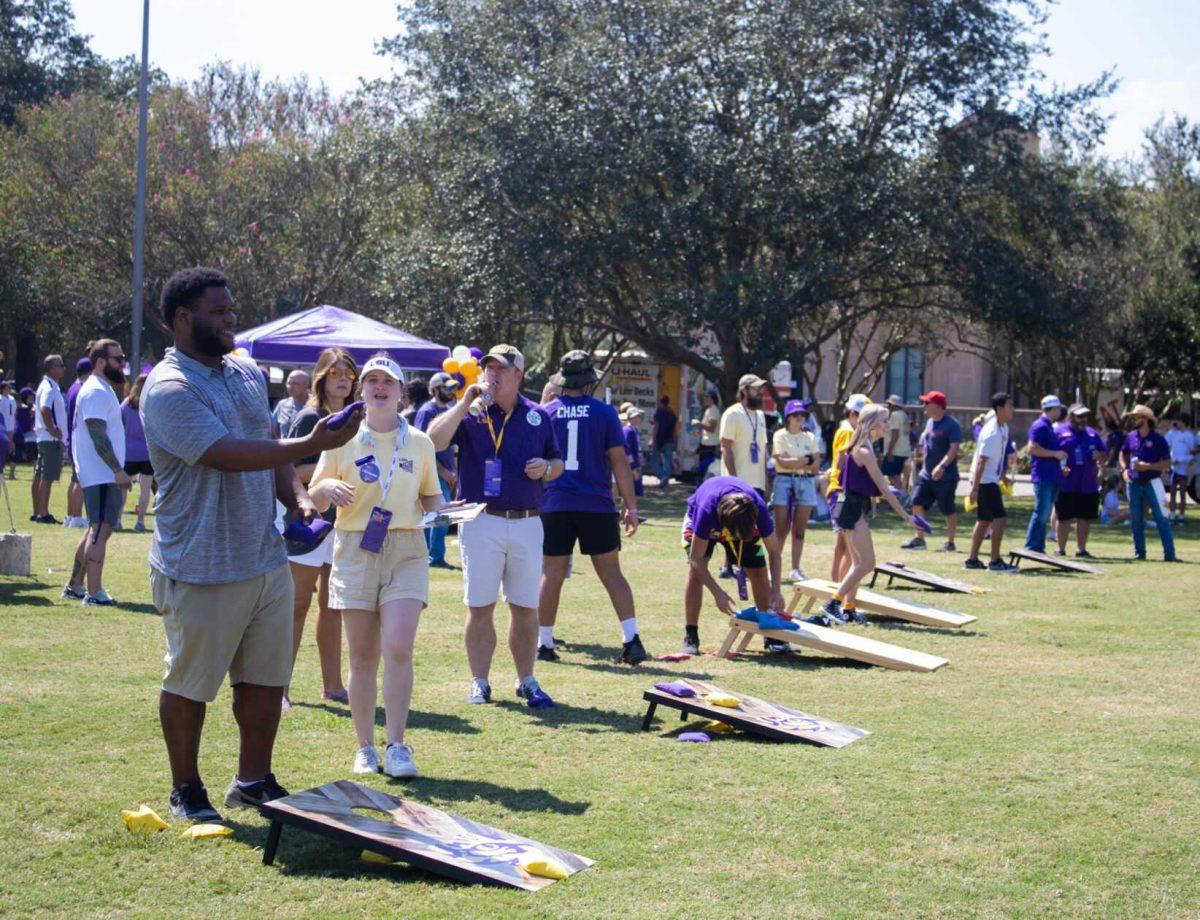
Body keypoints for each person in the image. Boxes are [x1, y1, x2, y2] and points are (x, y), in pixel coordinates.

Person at [141, 267, 361, 823]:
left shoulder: (240, 370)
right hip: (200, 561)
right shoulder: (168, 388)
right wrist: (312, 441)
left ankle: (254, 780)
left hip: (263, 556)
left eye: (232, 308)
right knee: (191, 682)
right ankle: (187, 788)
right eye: (219, 311)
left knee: (266, 679)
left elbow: (267, 448)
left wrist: (297, 499)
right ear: (184, 319)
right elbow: (228, 452)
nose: (231, 318)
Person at [308, 354, 450, 778]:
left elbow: (432, 498)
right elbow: (312, 496)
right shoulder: (341, 438)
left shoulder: (420, 442)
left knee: (400, 647)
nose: (379, 387)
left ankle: (398, 746)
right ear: (360, 390)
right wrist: (326, 486)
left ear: (402, 391)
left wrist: (448, 513)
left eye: (388, 381)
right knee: (364, 656)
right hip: (354, 548)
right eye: (371, 381)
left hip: (407, 548)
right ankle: (366, 747)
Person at [427, 344, 563, 707]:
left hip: (526, 521)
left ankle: (527, 680)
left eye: (501, 369)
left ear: (518, 375)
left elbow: (558, 462)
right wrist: (462, 402)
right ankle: (480, 682)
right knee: (480, 605)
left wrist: (547, 469)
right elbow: (432, 441)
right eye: (489, 367)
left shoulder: (538, 416)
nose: (493, 374)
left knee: (524, 606)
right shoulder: (470, 415)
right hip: (481, 521)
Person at [537, 351, 643, 664]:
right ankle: (631, 639)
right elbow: (619, 462)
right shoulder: (604, 412)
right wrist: (631, 505)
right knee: (611, 572)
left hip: (555, 503)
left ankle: (544, 644)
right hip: (596, 503)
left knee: (551, 574)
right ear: (589, 380)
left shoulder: (547, 412)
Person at [282, 347, 359, 709]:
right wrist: (327, 476)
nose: (343, 380)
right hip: (308, 523)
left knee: (333, 605)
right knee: (296, 605)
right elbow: (285, 471)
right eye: (336, 373)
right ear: (321, 377)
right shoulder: (308, 418)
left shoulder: (358, 421)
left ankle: (332, 685)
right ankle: (278, 687)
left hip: (345, 524)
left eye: (348, 374)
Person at [815, 405, 917, 625]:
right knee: (867, 563)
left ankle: (848, 609)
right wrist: (907, 517)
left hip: (851, 507)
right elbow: (883, 489)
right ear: (872, 425)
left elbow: (872, 484)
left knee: (857, 562)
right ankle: (833, 602)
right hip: (851, 509)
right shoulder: (863, 450)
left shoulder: (865, 446)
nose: (888, 425)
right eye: (885, 421)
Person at [680, 475, 786, 655]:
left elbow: (774, 553)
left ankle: (769, 631)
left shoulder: (758, 509)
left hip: (739, 519)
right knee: (696, 573)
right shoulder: (707, 512)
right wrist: (718, 593)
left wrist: (776, 590)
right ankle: (691, 634)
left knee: (759, 571)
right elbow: (696, 559)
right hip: (705, 517)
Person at [61, 340, 130, 605]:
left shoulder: (99, 389)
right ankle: (94, 592)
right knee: (101, 531)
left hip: (100, 473)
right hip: (103, 474)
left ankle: (75, 586)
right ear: (101, 362)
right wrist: (118, 470)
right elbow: (97, 435)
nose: (122, 363)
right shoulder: (96, 392)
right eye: (118, 358)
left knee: (94, 529)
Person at [963, 393, 1019, 571]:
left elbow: (999, 456)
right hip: (985, 481)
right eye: (1010, 405)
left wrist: (1002, 476)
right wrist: (975, 488)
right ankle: (995, 561)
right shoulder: (992, 432)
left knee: (984, 519)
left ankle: (972, 560)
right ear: (1000, 408)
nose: (1013, 409)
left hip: (990, 479)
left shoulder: (1004, 428)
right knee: (999, 518)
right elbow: (981, 461)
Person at [413, 371, 461, 569]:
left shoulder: (450, 409)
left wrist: (455, 471)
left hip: (447, 472)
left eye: (452, 387)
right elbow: (422, 446)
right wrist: (443, 472)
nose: (451, 391)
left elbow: (452, 447)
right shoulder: (427, 411)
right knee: (440, 515)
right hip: (431, 471)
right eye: (446, 387)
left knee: (438, 515)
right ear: (435, 389)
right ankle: (434, 557)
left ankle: (430, 556)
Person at [902, 390, 961, 552]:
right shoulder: (929, 423)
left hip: (946, 476)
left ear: (938, 406)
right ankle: (919, 539)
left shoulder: (952, 424)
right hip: (926, 475)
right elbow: (926, 445)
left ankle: (950, 542)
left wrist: (942, 466)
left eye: (927, 403)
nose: (924, 406)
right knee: (917, 502)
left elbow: (954, 448)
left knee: (947, 509)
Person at [771, 399, 821, 581]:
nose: (800, 418)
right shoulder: (779, 435)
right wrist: (807, 460)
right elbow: (782, 462)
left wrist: (797, 461)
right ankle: (774, 568)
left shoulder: (810, 437)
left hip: (806, 482)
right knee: (781, 528)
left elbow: (816, 465)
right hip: (784, 481)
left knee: (799, 529)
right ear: (788, 417)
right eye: (795, 415)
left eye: (803, 415)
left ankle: (796, 568)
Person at [1119, 405, 1176, 562]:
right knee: (1136, 520)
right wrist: (1124, 469)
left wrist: (1148, 466)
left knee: (1161, 518)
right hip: (1134, 483)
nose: (1134, 419)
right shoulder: (1130, 436)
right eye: (1134, 417)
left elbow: (1167, 463)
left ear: (1146, 419)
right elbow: (1122, 453)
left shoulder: (1158, 439)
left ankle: (1170, 554)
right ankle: (1139, 553)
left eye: (1137, 417)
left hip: (1153, 482)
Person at [1053, 404, 1108, 558]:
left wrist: (1100, 456)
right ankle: (1060, 549)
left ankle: (1081, 549)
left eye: (1085, 416)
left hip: (1088, 484)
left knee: (1084, 518)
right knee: (1063, 517)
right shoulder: (1058, 432)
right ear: (1071, 416)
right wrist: (1058, 468)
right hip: (1066, 483)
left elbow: (1104, 455)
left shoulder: (1093, 434)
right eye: (1079, 416)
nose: (1083, 419)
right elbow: (1050, 454)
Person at [826, 394, 868, 582]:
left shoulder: (851, 430)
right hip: (841, 492)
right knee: (846, 546)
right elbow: (842, 460)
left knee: (843, 545)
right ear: (852, 413)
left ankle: (837, 588)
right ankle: (837, 589)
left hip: (841, 491)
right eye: (862, 415)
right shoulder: (848, 431)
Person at [1022, 395, 1069, 553]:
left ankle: (1038, 546)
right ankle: (1032, 546)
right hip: (1043, 476)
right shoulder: (1040, 426)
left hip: (1052, 476)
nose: (1060, 411)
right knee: (1041, 512)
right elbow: (1032, 448)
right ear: (1054, 409)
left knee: (1045, 512)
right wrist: (1055, 454)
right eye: (1058, 409)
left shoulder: (1049, 425)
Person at [31, 354, 67, 524]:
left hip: (43, 437)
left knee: (39, 474)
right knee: (47, 476)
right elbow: (46, 409)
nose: (63, 368)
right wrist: (52, 429)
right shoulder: (49, 387)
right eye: (60, 365)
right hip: (49, 439)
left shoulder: (48, 385)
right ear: (52, 368)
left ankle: (37, 510)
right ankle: (43, 513)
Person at [120, 374, 154, 532]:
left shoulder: (126, 404)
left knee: (122, 489)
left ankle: (117, 520)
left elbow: (119, 424)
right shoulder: (151, 403)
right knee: (145, 489)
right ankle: (140, 521)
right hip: (147, 453)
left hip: (129, 453)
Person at [62, 356, 93, 528]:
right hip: (79, 440)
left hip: (72, 439)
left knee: (75, 479)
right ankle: (76, 517)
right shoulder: (82, 389)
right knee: (81, 480)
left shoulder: (72, 388)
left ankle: (71, 515)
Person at [1164, 416, 1197, 524]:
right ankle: (1172, 515)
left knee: (1182, 493)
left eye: (1179, 421)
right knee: (1172, 492)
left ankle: (1181, 516)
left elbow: (1192, 454)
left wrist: (1181, 460)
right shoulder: (1173, 433)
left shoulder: (1189, 436)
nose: (1176, 423)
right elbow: (1165, 443)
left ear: (1184, 423)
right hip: (1173, 468)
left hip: (1183, 469)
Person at [883, 394, 911, 494]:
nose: (887, 406)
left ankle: (902, 495)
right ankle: (900, 495)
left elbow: (895, 434)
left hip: (896, 451)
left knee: (891, 474)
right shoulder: (904, 415)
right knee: (896, 474)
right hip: (904, 451)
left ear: (892, 405)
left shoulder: (895, 415)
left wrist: (890, 451)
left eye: (888, 404)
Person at [650, 395, 679, 488]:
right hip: (669, 439)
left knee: (654, 458)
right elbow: (675, 429)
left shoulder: (659, 412)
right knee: (667, 460)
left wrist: (652, 438)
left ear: (661, 402)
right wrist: (675, 441)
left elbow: (656, 426)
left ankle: (661, 476)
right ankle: (665, 477)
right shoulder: (672, 413)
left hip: (659, 438)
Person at [272, 369, 310, 437]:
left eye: (295, 383)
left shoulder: (315, 405)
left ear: (306, 386)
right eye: (289, 383)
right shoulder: (282, 405)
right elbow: (273, 430)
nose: (290, 387)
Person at [692, 391, 721, 481]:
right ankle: (699, 487)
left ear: (712, 399)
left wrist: (699, 424)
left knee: (704, 468)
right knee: (700, 468)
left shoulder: (714, 410)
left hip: (710, 445)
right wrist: (700, 430)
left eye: (706, 397)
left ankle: (703, 487)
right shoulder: (708, 410)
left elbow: (712, 428)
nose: (704, 399)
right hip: (705, 443)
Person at [618, 402, 645, 500]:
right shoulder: (627, 431)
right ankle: (626, 513)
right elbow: (627, 451)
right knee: (630, 492)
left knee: (636, 492)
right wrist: (633, 468)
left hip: (637, 465)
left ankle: (627, 513)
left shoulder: (635, 430)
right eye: (635, 417)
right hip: (631, 467)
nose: (637, 419)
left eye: (638, 417)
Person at [0, 381, 15, 479]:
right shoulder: (1, 399)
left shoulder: (12, 399)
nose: (9, 389)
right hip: (3, 427)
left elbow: (14, 413)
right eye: (7, 387)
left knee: (11, 447)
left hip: (11, 426)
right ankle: (2, 469)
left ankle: (11, 472)